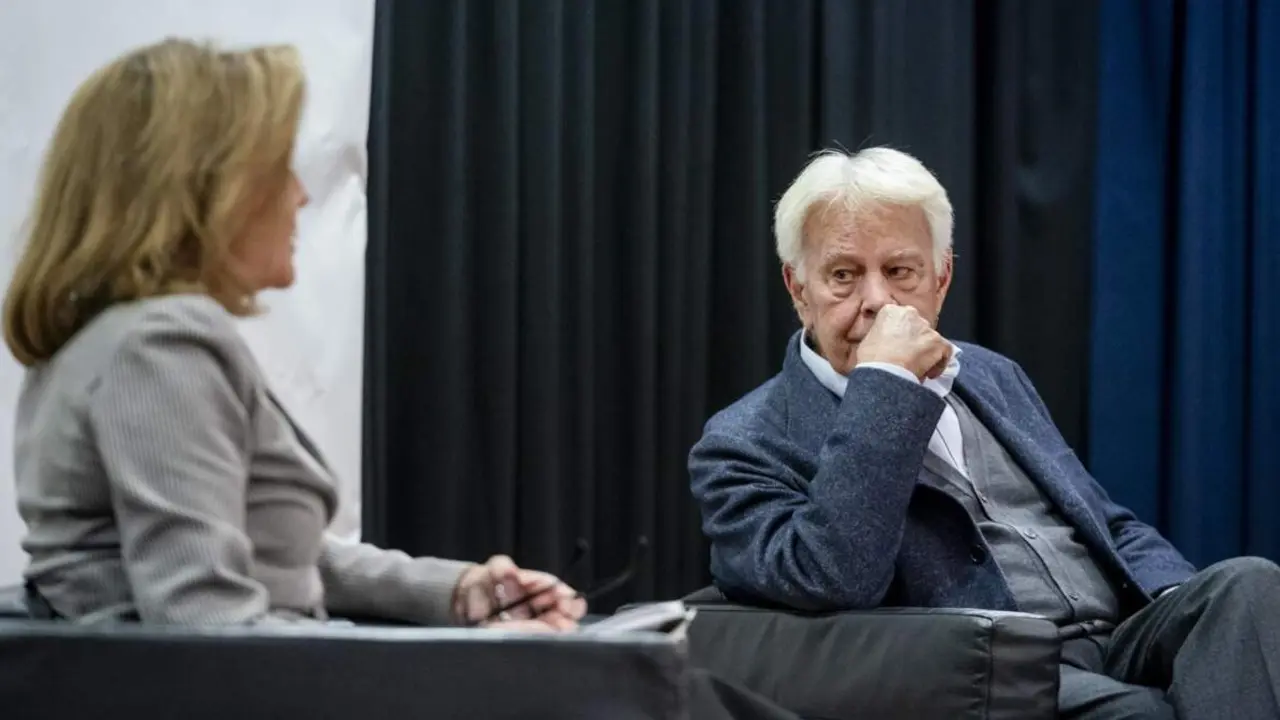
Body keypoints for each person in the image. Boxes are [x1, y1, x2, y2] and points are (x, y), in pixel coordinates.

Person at [3, 38, 582, 630]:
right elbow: (209, 630)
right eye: (279, 170)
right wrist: (479, 664)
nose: (300, 193)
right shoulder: (160, 346)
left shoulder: (111, 339)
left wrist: (455, 592)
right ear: (209, 189)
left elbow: (258, 549)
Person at [689, 147, 1280, 719]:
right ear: (798, 290)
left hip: (1117, 635)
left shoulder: (992, 374)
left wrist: (1179, 609)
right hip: (989, 668)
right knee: (1143, 711)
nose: (876, 301)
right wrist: (886, 385)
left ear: (940, 280)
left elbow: (1103, 521)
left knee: (1249, 585)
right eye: (843, 275)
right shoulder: (742, 443)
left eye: (900, 272)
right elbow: (834, 578)